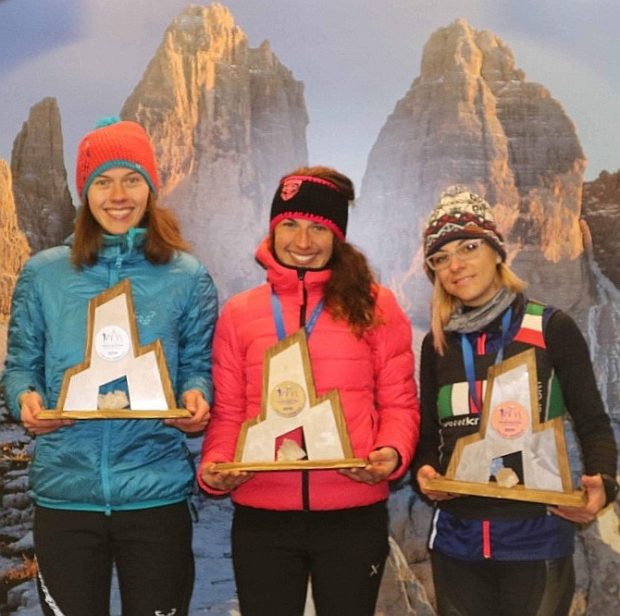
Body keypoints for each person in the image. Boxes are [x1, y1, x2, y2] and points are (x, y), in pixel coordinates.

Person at [2, 118, 218, 616]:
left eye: (131, 178)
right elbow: (20, 367)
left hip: (156, 494)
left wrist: (196, 400)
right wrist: (26, 401)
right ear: (84, 191)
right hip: (65, 497)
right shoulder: (44, 273)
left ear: (150, 187)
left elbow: (197, 367)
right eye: (102, 180)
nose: (118, 194)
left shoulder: (186, 276)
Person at [199, 166, 420, 616]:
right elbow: (229, 412)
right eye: (290, 225)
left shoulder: (376, 305)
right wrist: (215, 467)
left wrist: (391, 453)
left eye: (318, 227)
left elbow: (399, 402)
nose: (303, 241)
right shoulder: (240, 313)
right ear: (273, 228)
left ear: (337, 236)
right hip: (263, 515)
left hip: (352, 513)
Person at [411, 186, 618, 616]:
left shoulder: (551, 328)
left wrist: (604, 484)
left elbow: (593, 422)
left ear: (496, 251)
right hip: (456, 540)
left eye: (468, 247)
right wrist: (424, 472)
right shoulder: (438, 345)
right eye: (441, 257)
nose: (456, 265)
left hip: (536, 537)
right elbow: (429, 434)